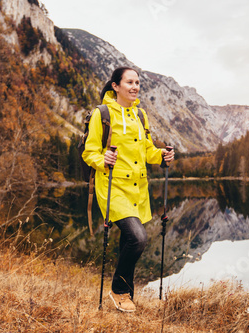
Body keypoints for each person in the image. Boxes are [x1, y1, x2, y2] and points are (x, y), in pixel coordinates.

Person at [82, 67, 174, 312]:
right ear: (116, 86)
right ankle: (119, 291)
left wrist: (162, 155)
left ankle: (125, 298)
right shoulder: (101, 114)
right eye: (129, 82)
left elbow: (146, 151)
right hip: (112, 187)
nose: (135, 87)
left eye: (138, 83)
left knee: (129, 242)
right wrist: (103, 160)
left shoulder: (139, 115)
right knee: (137, 237)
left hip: (137, 190)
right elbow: (89, 152)